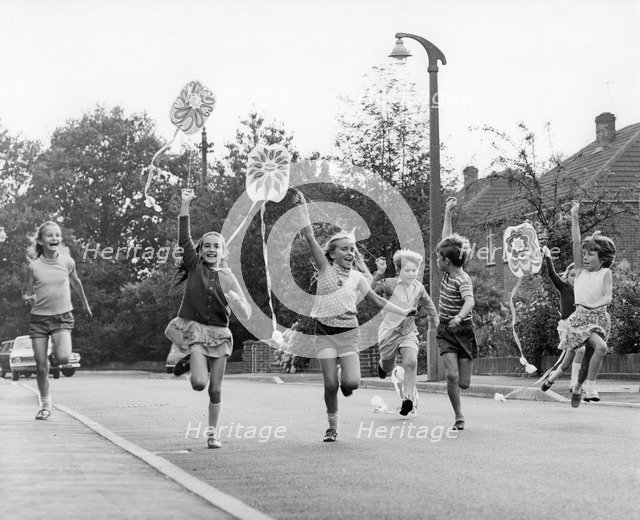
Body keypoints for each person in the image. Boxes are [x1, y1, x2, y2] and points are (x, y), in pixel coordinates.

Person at [295, 192, 415, 442]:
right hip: (325, 334)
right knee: (330, 385)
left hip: (348, 334)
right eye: (344, 249)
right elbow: (309, 235)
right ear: (332, 254)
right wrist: (303, 207)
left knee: (352, 384)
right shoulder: (324, 268)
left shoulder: (358, 278)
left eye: (352, 249)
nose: (350, 252)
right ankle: (332, 426)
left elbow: (378, 300)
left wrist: (404, 311)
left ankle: (345, 381)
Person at [171, 188, 252, 448]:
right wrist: (186, 205)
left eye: (216, 246)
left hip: (219, 334)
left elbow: (246, 313)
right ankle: (189, 361)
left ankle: (212, 434)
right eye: (207, 246)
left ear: (224, 251)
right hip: (195, 330)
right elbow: (184, 238)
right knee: (198, 384)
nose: (211, 249)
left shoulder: (229, 277)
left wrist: (238, 301)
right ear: (201, 250)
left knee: (214, 390)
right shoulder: (194, 266)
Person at [22, 221, 92, 420]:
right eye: (49, 235)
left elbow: (76, 283)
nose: (54, 238)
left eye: (57, 235)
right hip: (39, 320)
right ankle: (45, 406)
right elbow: (25, 293)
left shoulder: (68, 262)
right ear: (41, 241)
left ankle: (52, 358)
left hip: (62, 317)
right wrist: (28, 299)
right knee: (40, 367)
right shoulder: (33, 267)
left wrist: (85, 304)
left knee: (62, 358)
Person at [372, 250, 439, 416]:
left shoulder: (419, 289)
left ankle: (407, 399)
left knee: (411, 362)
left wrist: (438, 326)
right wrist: (379, 273)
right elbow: (371, 291)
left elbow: (431, 309)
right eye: (407, 270)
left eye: (414, 270)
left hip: (408, 332)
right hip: (389, 333)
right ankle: (382, 365)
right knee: (387, 366)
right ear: (398, 271)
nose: (411, 273)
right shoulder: (390, 284)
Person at [564, 200, 615, 407]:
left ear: (602, 258)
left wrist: (595, 305)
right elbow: (576, 242)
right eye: (584, 254)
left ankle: (577, 387)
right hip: (580, 319)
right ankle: (591, 387)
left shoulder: (606, 273)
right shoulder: (580, 271)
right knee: (601, 348)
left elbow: (607, 297)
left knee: (588, 360)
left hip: (599, 318)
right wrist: (575, 216)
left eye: (590, 254)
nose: (585, 257)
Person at [435, 197, 477, 431]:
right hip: (445, 330)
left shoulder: (462, 279)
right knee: (451, 376)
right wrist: (448, 213)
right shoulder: (448, 274)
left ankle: (460, 404)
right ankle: (459, 416)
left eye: (439, 258)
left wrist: (459, 317)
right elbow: (446, 241)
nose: (436, 259)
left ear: (447, 261)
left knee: (464, 383)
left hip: (463, 331)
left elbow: (470, 301)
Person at [540, 245, 585, 393]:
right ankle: (573, 385)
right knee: (580, 350)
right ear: (567, 277)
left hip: (578, 327)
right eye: (572, 275)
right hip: (566, 327)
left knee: (566, 364)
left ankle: (550, 380)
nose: (574, 278)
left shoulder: (584, 291)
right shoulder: (564, 288)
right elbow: (552, 274)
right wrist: (547, 256)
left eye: (577, 275)